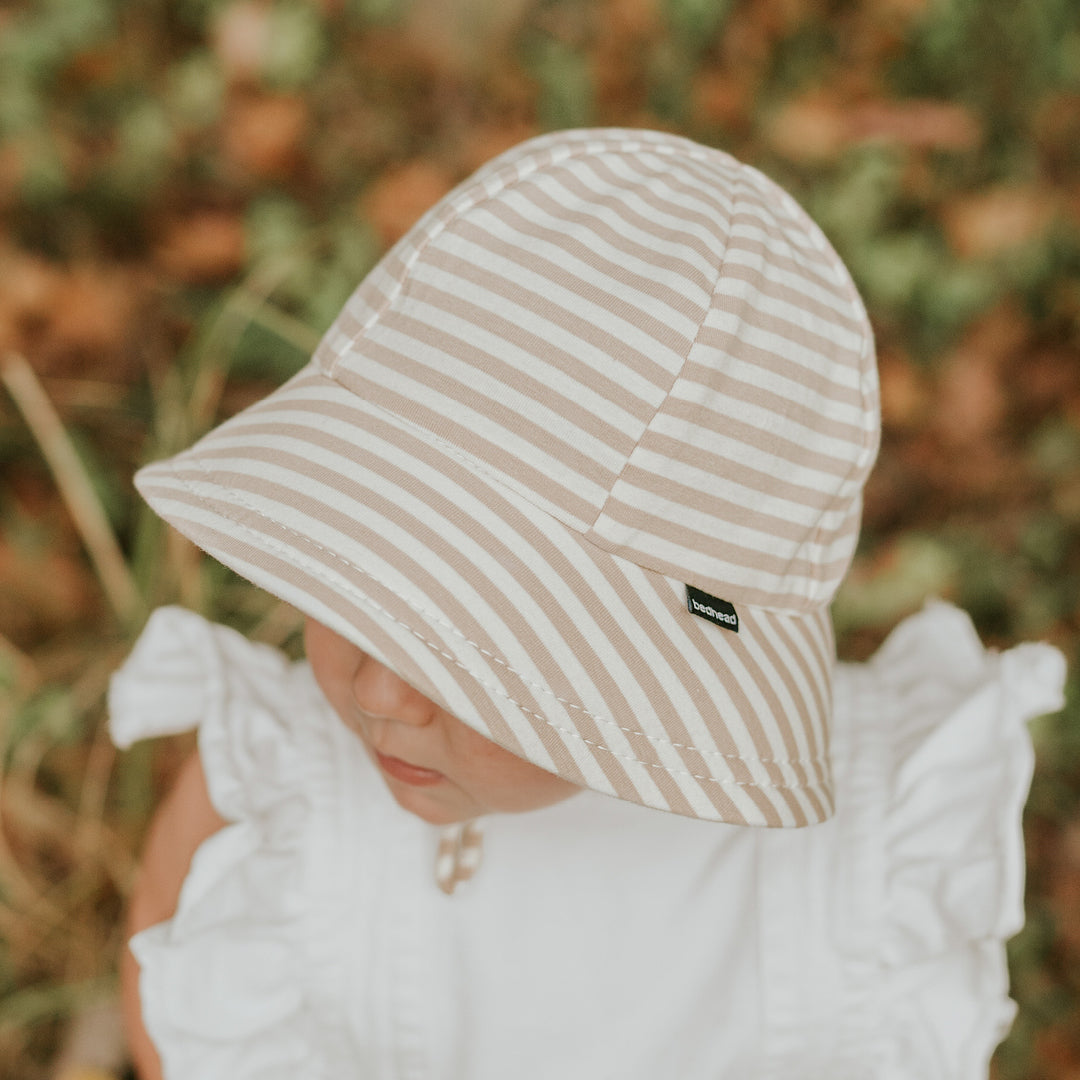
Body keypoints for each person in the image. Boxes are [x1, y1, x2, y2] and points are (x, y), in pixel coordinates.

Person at [109, 128, 1066, 1080]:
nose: (379, 691)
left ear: (678, 664)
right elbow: (173, 982)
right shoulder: (288, 785)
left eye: (470, 649)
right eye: (365, 580)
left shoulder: (860, 867)